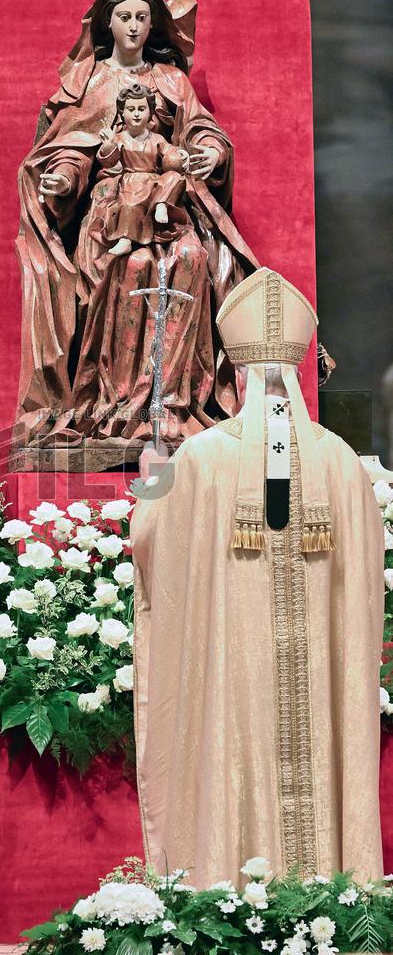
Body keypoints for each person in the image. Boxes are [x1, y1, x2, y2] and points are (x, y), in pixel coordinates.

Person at [130, 266, 384, 886]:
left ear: (237, 373)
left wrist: (151, 476)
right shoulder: (341, 461)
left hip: (233, 671)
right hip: (318, 672)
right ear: (300, 369)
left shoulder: (199, 459)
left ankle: (227, 881)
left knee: (229, 739)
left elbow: (151, 541)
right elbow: (368, 573)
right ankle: (332, 885)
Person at [15, 0, 258, 450]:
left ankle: (169, 403)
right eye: (123, 16)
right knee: (131, 265)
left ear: (153, 25)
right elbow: (72, 146)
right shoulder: (90, 82)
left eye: (141, 18)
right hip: (110, 213)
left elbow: (199, 131)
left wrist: (211, 151)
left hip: (169, 210)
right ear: (108, 21)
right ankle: (117, 401)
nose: (132, 26)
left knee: (190, 259)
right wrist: (62, 179)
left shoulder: (170, 80)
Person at [89, 83, 190, 257]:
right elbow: (109, 161)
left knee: (175, 177)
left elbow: (170, 155)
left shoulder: (157, 139)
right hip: (131, 183)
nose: (136, 113)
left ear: (150, 112)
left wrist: (179, 154)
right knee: (129, 205)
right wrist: (109, 145)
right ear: (122, 112)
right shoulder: (120, 138)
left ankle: (161, 205)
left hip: (154, 183)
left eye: (141, 108)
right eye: (131, 109)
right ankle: (126, 239)